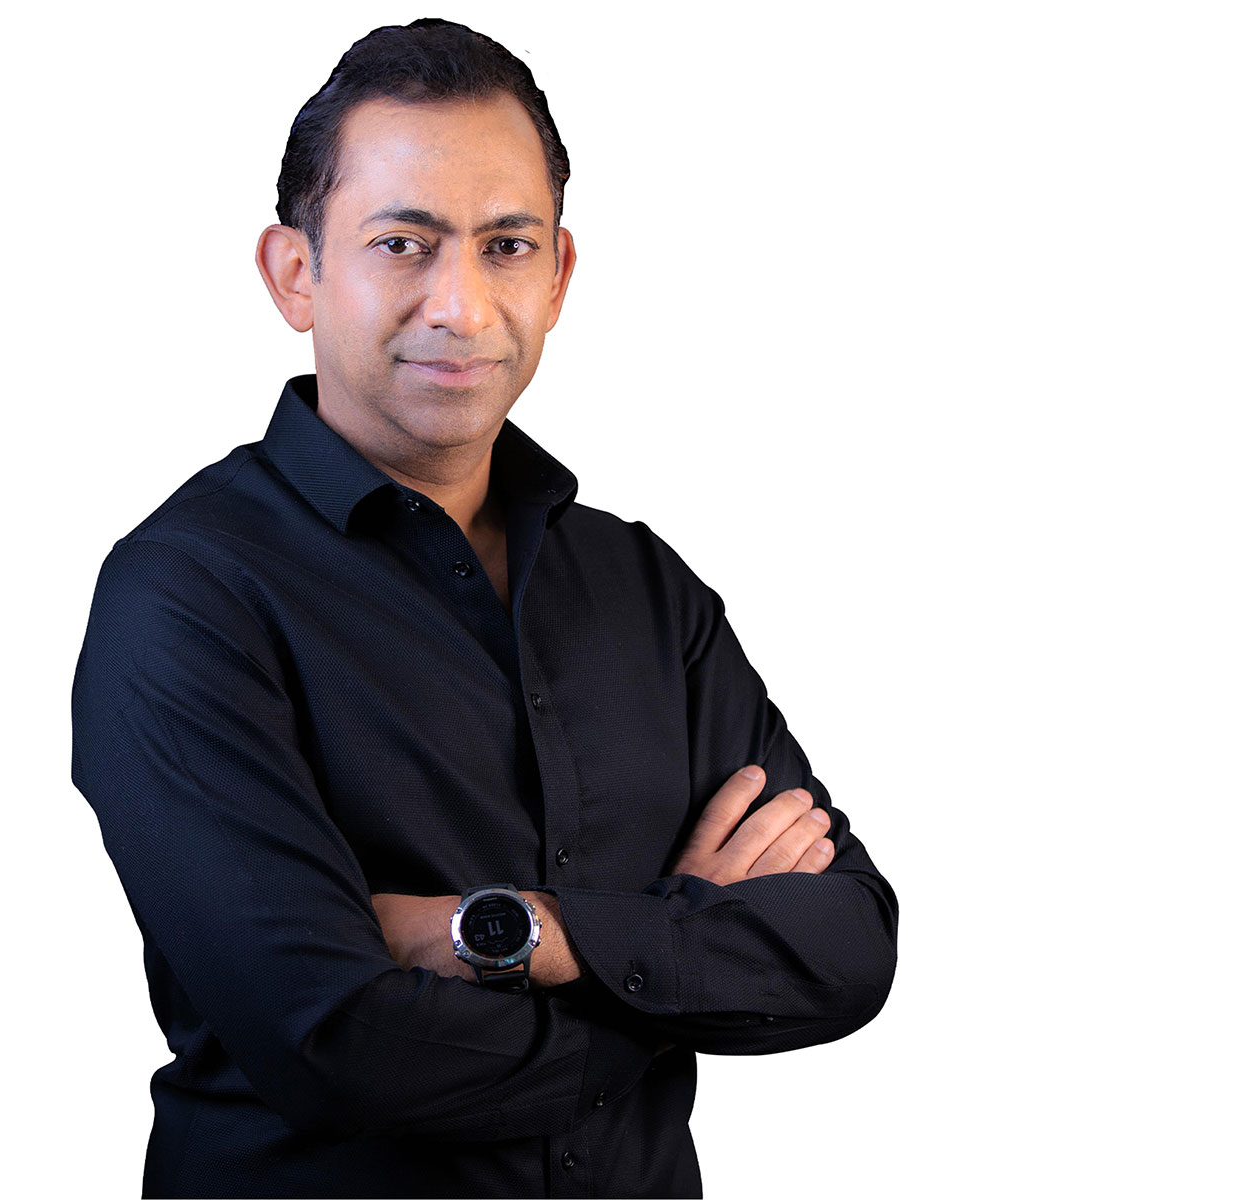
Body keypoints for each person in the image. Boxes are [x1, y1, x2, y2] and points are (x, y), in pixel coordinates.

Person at [71, 18, 897, 1198]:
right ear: (294, 273)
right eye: (401, 244)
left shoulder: (644, 588)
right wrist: (678, 965)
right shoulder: (187, 596)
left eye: (505, 246)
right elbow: (338, 1047)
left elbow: (848, 945)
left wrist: (521, 934)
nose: (459, 304)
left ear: (557, 277)